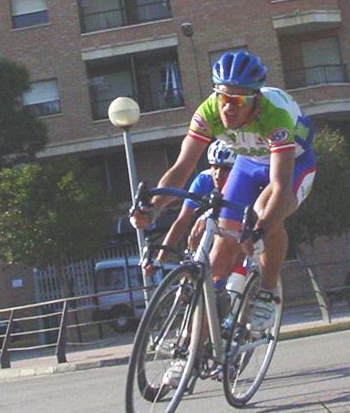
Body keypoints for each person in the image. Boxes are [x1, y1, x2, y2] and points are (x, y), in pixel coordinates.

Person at [130, 50, 316, 333]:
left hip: (293, 163)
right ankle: (198, 346)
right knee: (219, 252)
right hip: (248, 163)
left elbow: (280, 186)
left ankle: (267, 292)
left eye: (238, 101)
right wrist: (154, 207)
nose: (228, 107)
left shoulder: (274, 116)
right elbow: (182, 167)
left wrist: (260, 231)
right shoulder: (208, 112)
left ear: (255, 100)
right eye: (223, 97)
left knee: (265, 214)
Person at [143, 139, 238, 282]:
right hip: (216, 216)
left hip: (239, 218)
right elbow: (182, 221)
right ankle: (192, 269)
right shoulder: (204, 180)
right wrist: (160, 259)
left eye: (225, 169)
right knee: (199, 227)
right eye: (214, 167)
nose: (218, 174)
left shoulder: (242, 182)